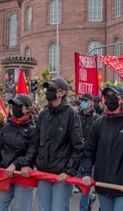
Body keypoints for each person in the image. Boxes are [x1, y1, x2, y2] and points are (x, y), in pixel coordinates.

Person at [20, 78, 84, 211]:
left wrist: (69, 171)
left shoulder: (71, 114)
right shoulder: (44, 114)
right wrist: (27, 163)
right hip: (43, 172)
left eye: (52, 89)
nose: (48, 92)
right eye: (47, 88)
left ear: (62, 93)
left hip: (61, 176)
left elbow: (78, 146)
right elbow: (35, 142)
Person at [81, 86, 123, 211]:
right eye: (106, 97)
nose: (109, 99)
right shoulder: (98, 123)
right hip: (103, 186)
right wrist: (86, 173)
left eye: (113, 96)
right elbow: (89, 152)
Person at [0, 94, 36, 211]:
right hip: (5, 174)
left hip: (23, 176)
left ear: (27, 109)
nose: (14, 107)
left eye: (18, 105)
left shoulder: (34, 129)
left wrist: (15, 165)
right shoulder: (7, 127)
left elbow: (32, 153)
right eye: (13, 105)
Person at [78, 93, 99, 211]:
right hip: (77, 155)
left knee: (86, 183)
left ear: (91, 103)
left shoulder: (97, 118)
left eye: (85, 100)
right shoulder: (77, 117)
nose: (82, 102)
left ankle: (84, 208)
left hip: (90, 156)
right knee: (76, 180)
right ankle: (90, 196)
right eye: (81, 100)